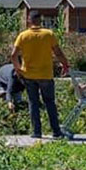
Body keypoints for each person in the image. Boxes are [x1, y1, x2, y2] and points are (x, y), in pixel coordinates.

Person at [11, 11, 70, 139]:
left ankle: (37, 132)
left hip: (29, 75)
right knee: (50, 102)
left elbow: (13, 55)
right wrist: (65, 65)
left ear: (29, 20)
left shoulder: (23, 36)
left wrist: (18, 69)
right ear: (40, 20)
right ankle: (56, 132)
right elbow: (58, 52)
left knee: (33, 103)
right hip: (46, 74)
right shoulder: (48, 34)